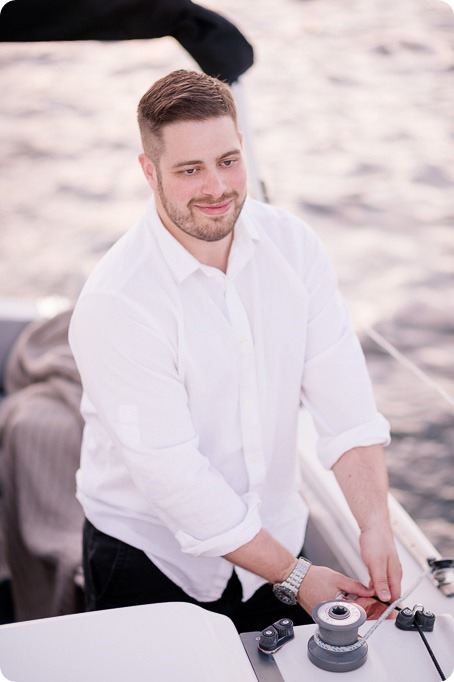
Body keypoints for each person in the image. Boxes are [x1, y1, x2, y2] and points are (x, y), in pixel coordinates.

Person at [68, 69, 402, 633]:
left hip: (277, 538)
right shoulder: (117, 302)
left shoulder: (295, 249)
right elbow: (175, 478)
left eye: (227, 160)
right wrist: (296, 577)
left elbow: (345, 407)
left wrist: (375, 526)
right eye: (190, 169)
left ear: (244, 149)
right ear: (149, 172)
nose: (217, 187)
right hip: (151, 559)